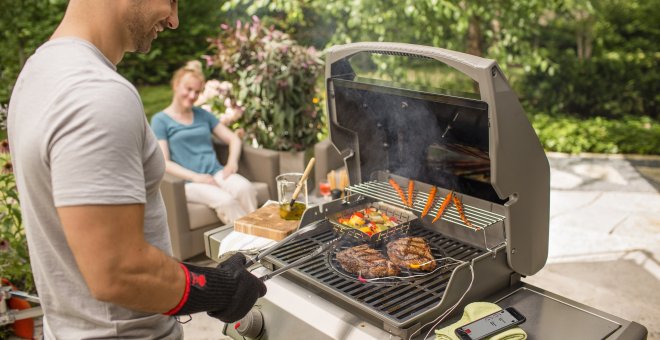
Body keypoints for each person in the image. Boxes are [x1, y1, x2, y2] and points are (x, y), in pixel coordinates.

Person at [7, 1, 265, 339]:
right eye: (171, 1)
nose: (174, 20)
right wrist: (220, 287)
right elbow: (119, 271)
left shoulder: (37, 72)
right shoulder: (96, 94)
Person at [151, 61, 257, 224]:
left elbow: (234, 138)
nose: (193, 96)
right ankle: (253, 246)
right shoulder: (160, 120)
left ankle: (259, 237)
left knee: (246, 188)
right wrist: (196, 177)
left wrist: (231, 163)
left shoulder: (202, 115)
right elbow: (164, 162)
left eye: (197, 92)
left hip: (216, 173)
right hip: (188, 183)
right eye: (189, 89)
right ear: (176, 85)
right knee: (227, 202)